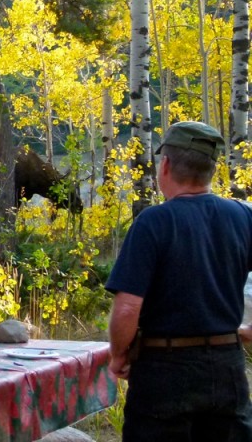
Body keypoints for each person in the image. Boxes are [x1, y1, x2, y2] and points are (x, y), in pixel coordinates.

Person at [106, 121, 252, 441]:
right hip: (227, 367)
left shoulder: (153, 222)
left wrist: (118, 355)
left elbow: (128, 307)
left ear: (166, 166)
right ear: (212, 170)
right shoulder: (243, 216)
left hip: (164, 371)